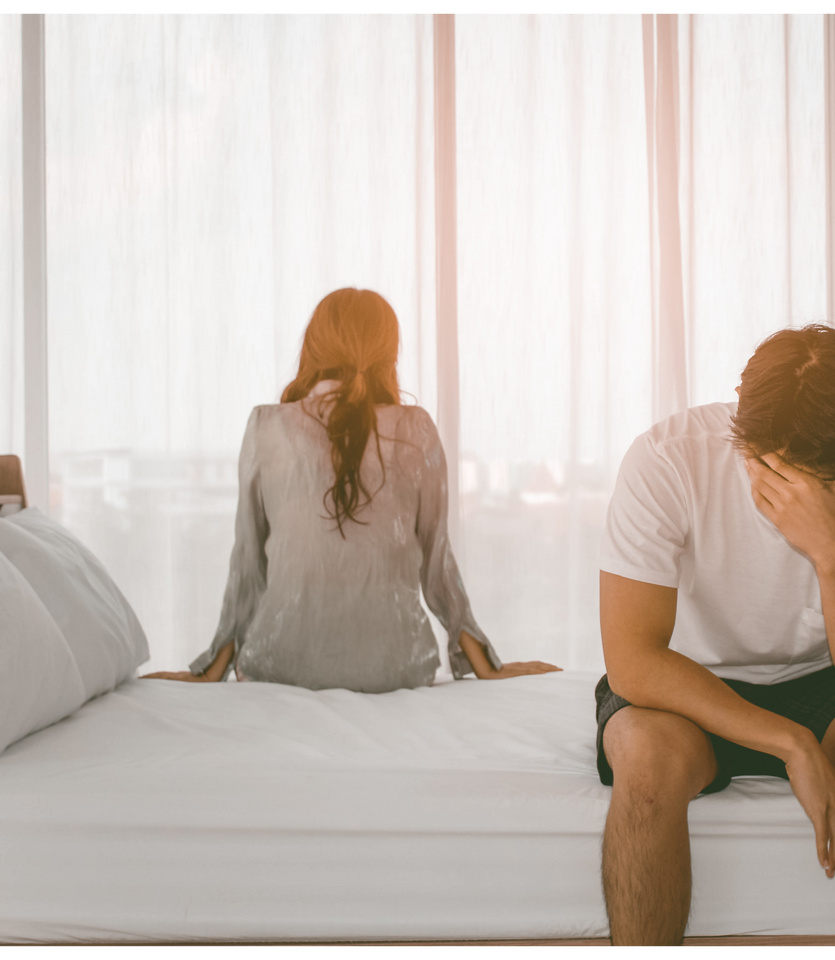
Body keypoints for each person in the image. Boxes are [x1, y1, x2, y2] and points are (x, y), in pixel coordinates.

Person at [594, 324, 835, 948]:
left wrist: (833, 551)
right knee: (647, 758)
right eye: (775, 465)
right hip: (686, 684)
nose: (795, 489)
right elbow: (633, 661)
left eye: (825, 480)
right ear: (742, 420)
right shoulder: (666, 458)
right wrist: (793, 745)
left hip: (823, 679)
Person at [143, 288, 559, 691]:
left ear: (313, 347)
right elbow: (438, 561)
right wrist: (485, 665)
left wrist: (212, 668)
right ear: (388, 354)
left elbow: (248, 561)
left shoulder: (265, 426)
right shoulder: (416, 428)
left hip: (280, 663)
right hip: (396, 667)